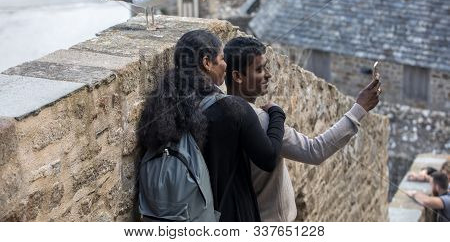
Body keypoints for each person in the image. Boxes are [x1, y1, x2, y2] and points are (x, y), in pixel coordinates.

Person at [223, 36, 381, 221]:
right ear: (237, 76)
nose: (268, 74)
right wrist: (359, 109)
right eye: (259, 69)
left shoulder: (219, 110)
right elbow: (314, 150)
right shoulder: (263, 121)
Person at [138, 30, 286, 222]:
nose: (226, 65)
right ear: (207, 62)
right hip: (231, 214)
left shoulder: (163, 106)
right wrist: (277, 115)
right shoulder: (233, 109)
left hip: (187, 214)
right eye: (222, 58)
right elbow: (269, 158)